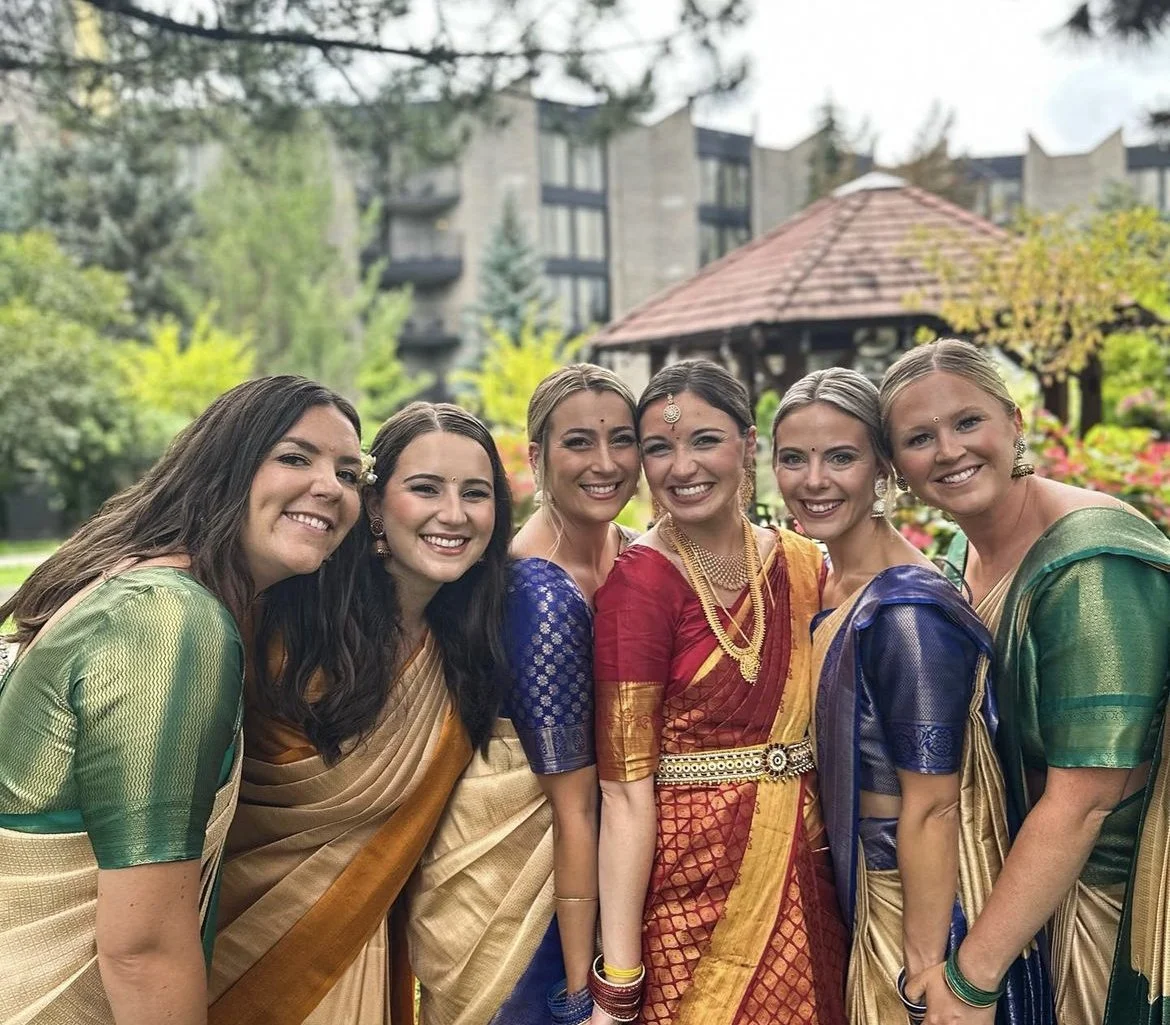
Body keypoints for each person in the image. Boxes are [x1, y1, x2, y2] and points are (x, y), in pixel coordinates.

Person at [0, 375, 366, 1025]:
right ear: (225, 466)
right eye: (294, 457)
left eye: (348, 473)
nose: (331, 487)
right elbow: (143, 949)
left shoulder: (138, 585)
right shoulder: (170, 619)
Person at [880, 337, 1170, 1025]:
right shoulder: (963, 555)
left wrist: (971, 982)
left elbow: (1086, 802)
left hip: (1103, 919)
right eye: (919, 438)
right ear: (895, 466)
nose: (949, 450)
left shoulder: (1090, 565)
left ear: (1014, 421)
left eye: (968, 421)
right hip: (1020, 907)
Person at [208, 401, 512, 1025]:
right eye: (425, 488)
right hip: (227, 952)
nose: (454, 514)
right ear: (374, 505)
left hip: (360, 944)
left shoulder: (470, 653)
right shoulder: (286, 625)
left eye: (475, 494)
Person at [772, 367, 1051, 1025]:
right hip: (860, 885)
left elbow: (933, 804)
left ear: (883, 468)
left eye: (841, 457)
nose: (814, 480)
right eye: (794, 458)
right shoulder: (828, 580)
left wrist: (923, 968)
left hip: (911, 904)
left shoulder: (904, 610)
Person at [590, 358, 849, 1025]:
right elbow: (623, 792)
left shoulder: (803, 563)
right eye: (659, 448)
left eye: (704, 440)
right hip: (687, 892)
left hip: (806, 864)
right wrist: (619, 982)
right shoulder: (639, 585)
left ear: (748, 443)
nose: (683, 467)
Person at [409, 364, 640, 1025]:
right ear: (537, 458)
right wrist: (585, 990)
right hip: (525, 894)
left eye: (622, 440)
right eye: (578, 442)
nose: (605, 463)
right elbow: (574, 805)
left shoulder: (635, 555)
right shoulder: (538, 593)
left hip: (612, 863)